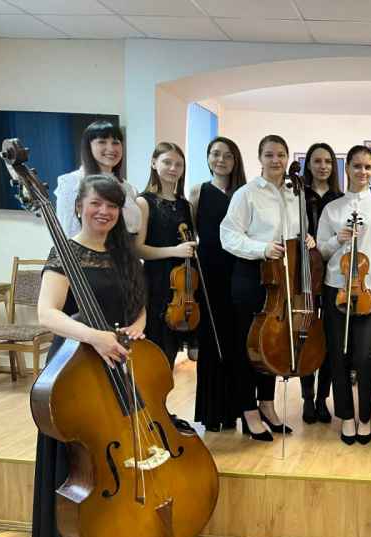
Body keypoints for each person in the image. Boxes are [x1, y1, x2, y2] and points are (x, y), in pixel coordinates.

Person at [31, 174, 147, 537]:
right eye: (97, 203)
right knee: (77, 462)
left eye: (112, 206)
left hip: (118, 362)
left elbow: (139, 309)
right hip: (75, 369)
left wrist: (134, 329)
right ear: (79, 205)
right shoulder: (64, 252)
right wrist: (96, 336)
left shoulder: (123, 255)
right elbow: (47, 313)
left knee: (117, 449)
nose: (104, 212)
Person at [220, 134, 303, 441]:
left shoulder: (294, 194)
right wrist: (262, 248)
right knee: (248, 345)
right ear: (260, 158)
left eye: (281, 154)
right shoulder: (247, 193)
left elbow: (295, 233)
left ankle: (267, 404)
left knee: (272, 343)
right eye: (269, 154)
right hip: (251, 275)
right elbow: (228, 235)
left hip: (282, 279)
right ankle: (249, 410)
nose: (276, 160)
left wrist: (304, 239)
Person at [317, 144, 371, 445]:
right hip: (336, 289)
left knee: (365, 357)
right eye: (356, 166)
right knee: (338, 356)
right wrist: (337, 240)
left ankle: (364, 417)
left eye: (367, 167)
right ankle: (346, 417)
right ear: (347, 168)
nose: (362, 171)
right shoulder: (333, 209)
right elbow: (321, 251)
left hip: (369, 292)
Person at [188, 136, 246, 431]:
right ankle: (211, 413)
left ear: (236, 161)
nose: (221, 160)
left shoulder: (243, 193)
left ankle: (236, 411)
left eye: (227, 155)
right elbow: (192, 233)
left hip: (238, 271)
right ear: (208, 157)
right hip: (209, 274)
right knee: (212, 342)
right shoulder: (198, 191)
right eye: (215, 154)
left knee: (237, 342)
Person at [134, 142, 196, 366]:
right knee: (157, 351)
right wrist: (174, 250)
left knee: (174, 351)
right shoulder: (144, 202)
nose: (173, 168)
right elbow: (138, 248)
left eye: (178, 164)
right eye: (167, 162)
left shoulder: (185, 205)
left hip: (184, 285)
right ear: (154, 163)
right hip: (157, 283)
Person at [300, 142, 343, 425]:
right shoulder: (297, 194)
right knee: (306, 334)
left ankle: (322, 399)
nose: (323, 166)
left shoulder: (340, 198)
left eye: (328, 161)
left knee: (327, 337)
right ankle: (307, 398)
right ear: (309, 165)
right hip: (304, 271)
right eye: (317, 161)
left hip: (334, 274)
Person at [54, 120, 141, 237]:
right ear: (88, 146)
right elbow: (67, 232)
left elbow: (135, 230)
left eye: (116, 143)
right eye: (102, 142)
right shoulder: (72, 182)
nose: (111, 148)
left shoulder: (128, 188)